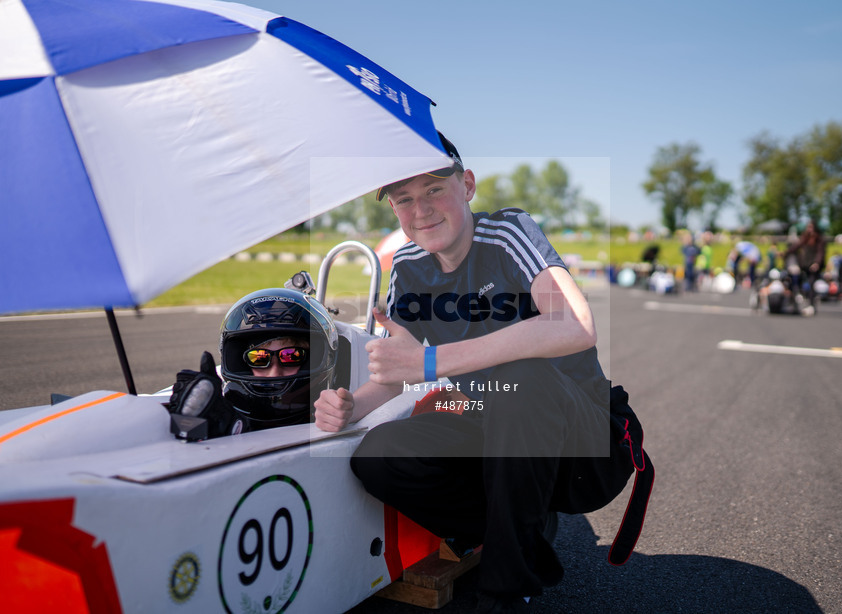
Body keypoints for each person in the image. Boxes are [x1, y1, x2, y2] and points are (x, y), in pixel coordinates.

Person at [313, 133, 648, 612]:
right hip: (493, 427)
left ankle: (505, 591)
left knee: (519, 379)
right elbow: (397, 367)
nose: (421, 209)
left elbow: (576, 325)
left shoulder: (508, 234)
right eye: (404, 199)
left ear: (466, 185)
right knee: (378, 455)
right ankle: (517, 536)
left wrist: (431, 363)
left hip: (580, 446)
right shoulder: (407, 266)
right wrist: (351, 405)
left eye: (433, 189)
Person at [166, 287, 338, 437]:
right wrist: (189, 422)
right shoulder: (225, 418)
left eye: (290, 356)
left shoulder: (338, 415)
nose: (274, 372)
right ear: (241, 363)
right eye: (259, 358)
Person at [784, 220, 826, 315]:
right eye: (808, 227)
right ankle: (797, 303)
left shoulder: (819, 240)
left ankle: (811, 305)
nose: (809, 229)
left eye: (811, 227)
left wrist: (817, 263)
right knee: (798, 282)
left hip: (814, 266)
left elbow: (820, 253)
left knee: (811, 284)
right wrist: (785, 253)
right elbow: (795, 247)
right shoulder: (805, 238)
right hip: (805, 265)